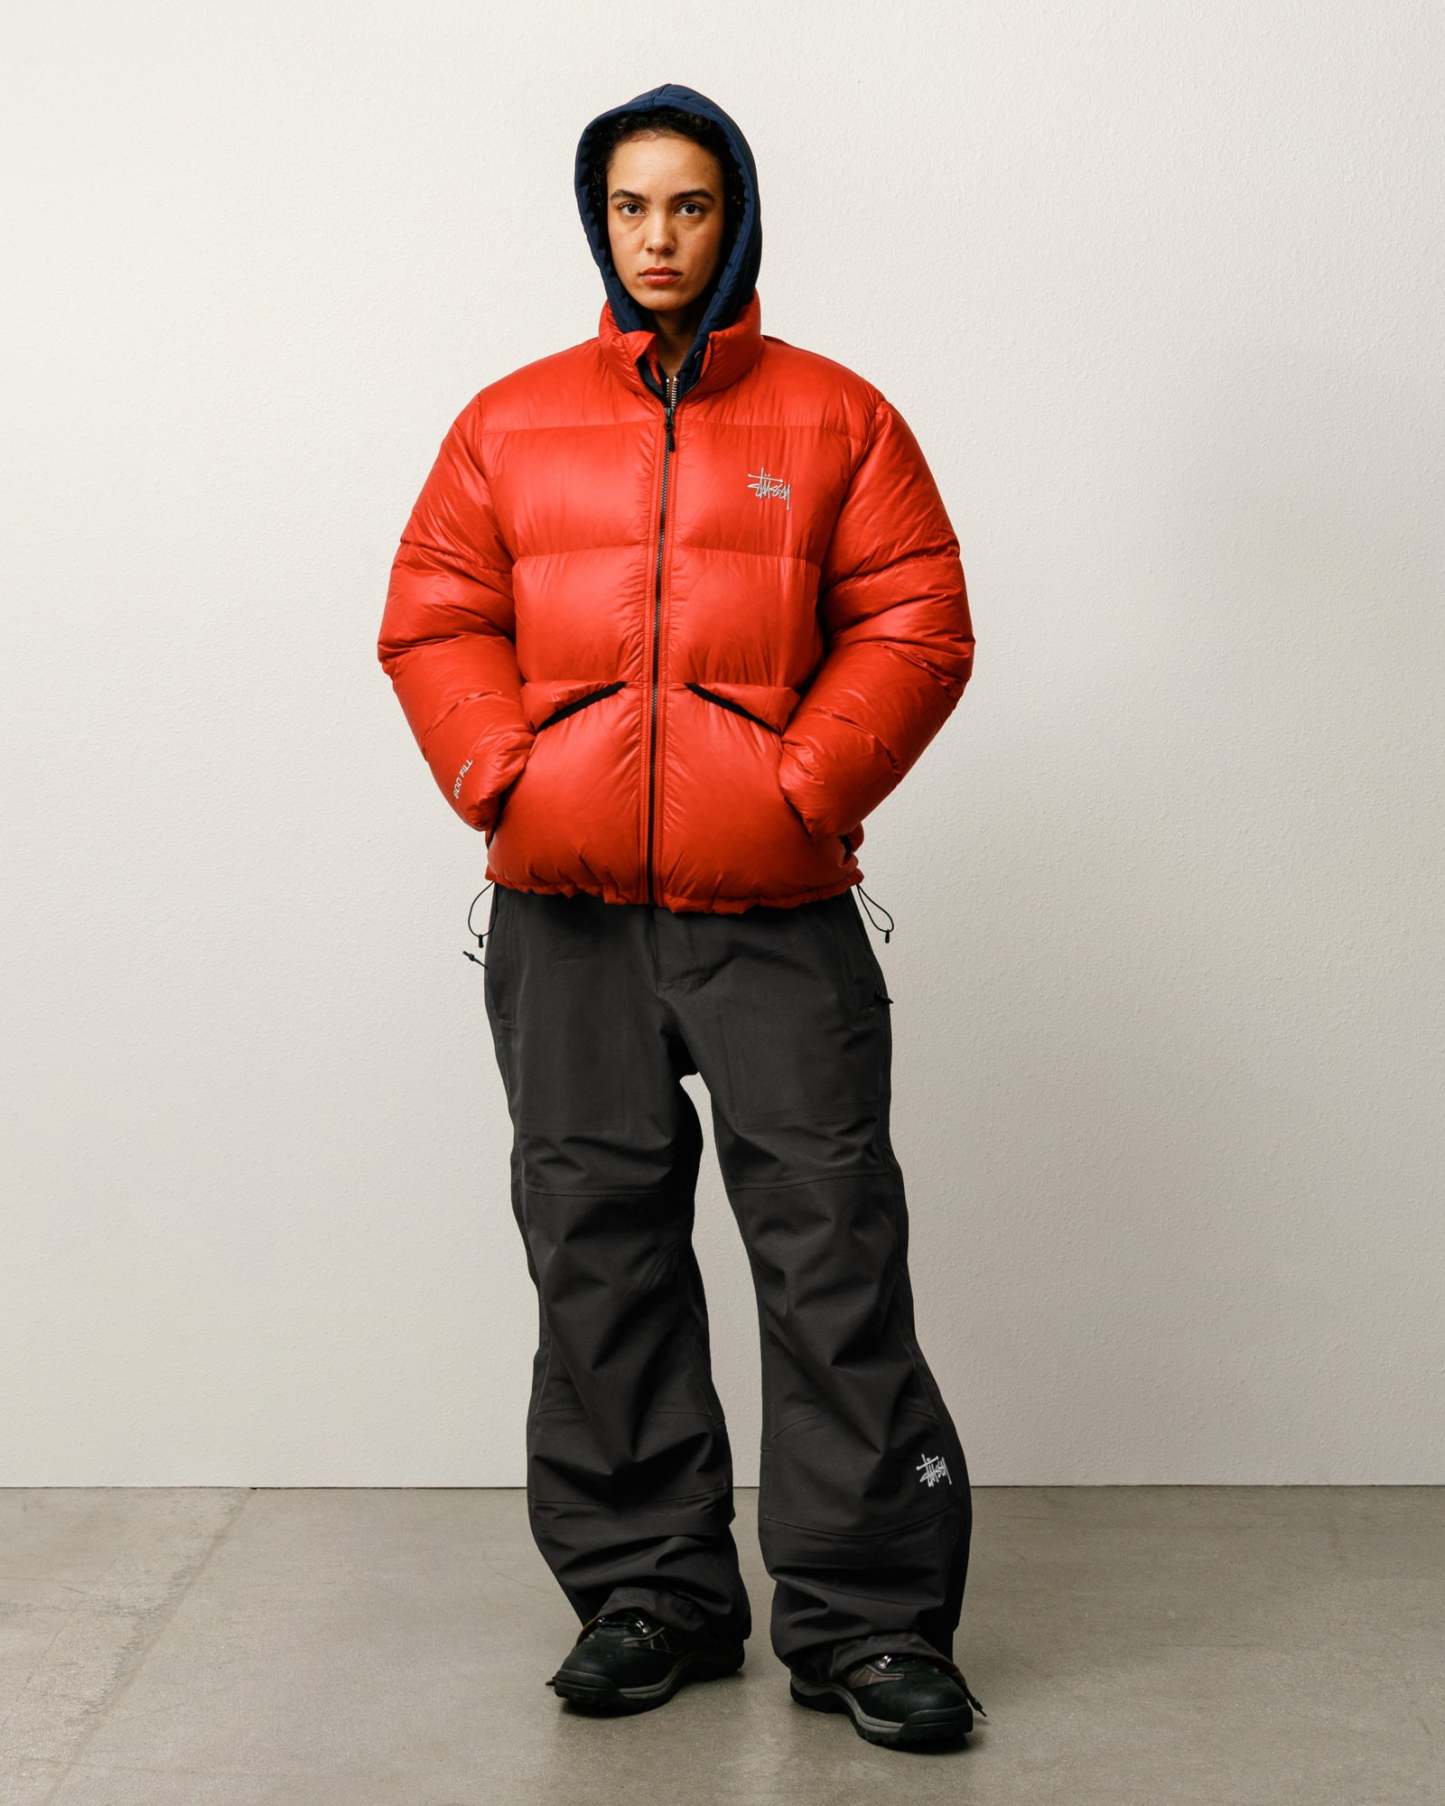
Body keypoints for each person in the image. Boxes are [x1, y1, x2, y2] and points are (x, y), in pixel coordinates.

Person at [377, 81, 983, 1751]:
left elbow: (917, 621)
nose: (658, 236)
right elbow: (432, 617)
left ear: (737, 217)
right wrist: (507, 774)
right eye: (630, 206)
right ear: (599, 222)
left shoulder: (837, 417)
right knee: (595, 1247)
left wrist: (801, 788)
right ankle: (649, 1590)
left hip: (773, 909)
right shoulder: (508, 422)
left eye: (689, 204)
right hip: (562, 916)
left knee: (829, 1249)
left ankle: (868, 1620)